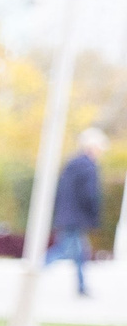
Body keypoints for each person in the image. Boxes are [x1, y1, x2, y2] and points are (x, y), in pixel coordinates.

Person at [50, 128, 108, 299]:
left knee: (80, 253)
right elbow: (90, 195)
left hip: (68, 215)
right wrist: (94, 216)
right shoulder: (88, 166)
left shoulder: (72, 163)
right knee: (64, 250)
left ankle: (82, 287)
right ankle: (34, 272)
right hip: (77, 218)